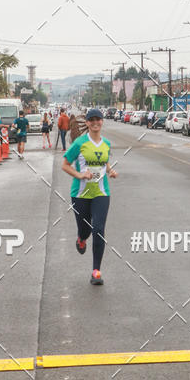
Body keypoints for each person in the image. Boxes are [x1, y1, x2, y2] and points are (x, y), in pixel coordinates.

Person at [62, 108, 117, 286]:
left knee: (99, 230)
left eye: (98, 119)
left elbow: (105, 160)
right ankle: (81, 238)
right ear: (87, 123)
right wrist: (79, 175)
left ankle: (96, 271)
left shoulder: (106, 143)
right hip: (80, 194)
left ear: (102, 122)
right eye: (91, 120)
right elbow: (65, 165)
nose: (95, 122)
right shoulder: (79, 143)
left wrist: (110, 170)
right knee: (85, 231)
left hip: (101, 193)